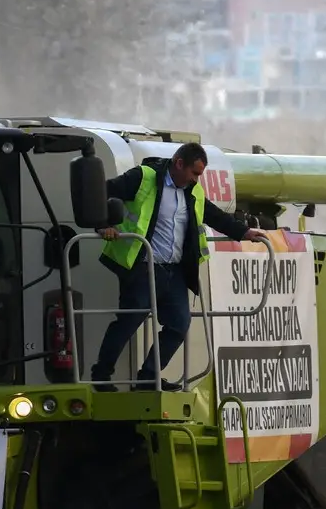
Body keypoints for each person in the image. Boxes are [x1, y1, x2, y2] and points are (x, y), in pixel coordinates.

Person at [91, 143, 265, 387]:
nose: (197, 179)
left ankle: (148, 378)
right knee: (129, 321)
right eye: (194, 173)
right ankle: (100, 375)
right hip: (143, 266)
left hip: (175, 271)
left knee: (179, 324)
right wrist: (102, 225)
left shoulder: (193, 191)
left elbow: (213, 215)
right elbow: (101, 192)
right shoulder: (143, 177)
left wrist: (244, 232)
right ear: (179, 163)